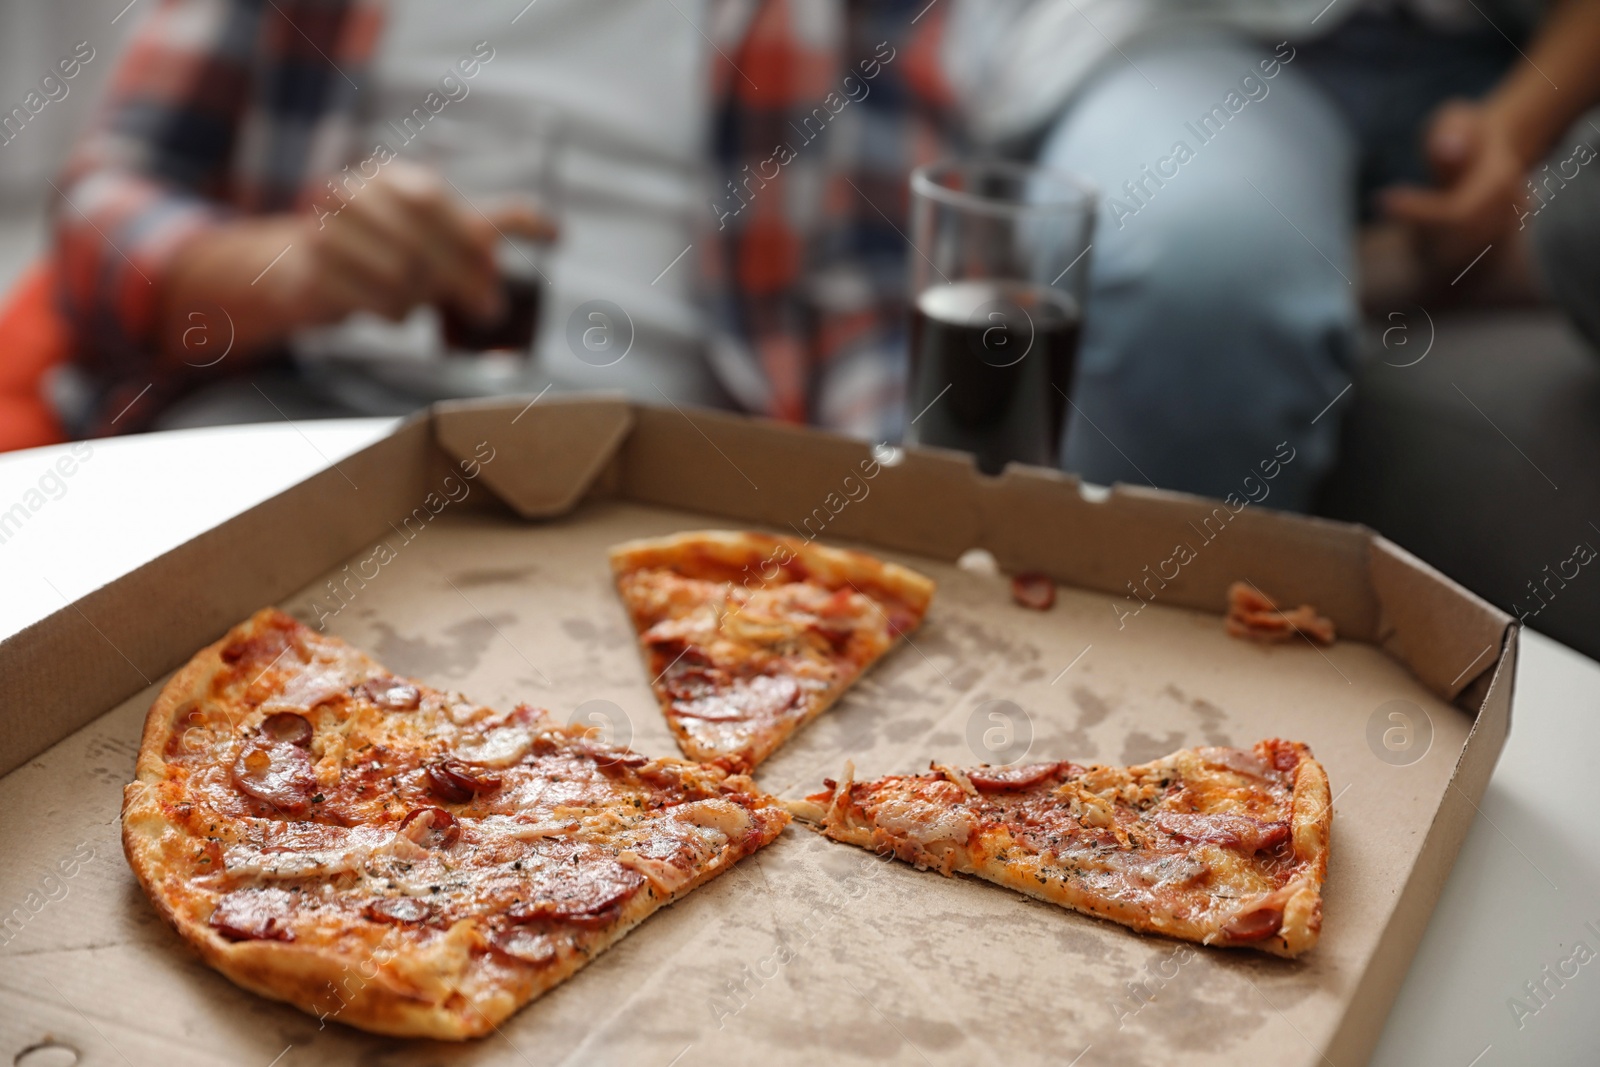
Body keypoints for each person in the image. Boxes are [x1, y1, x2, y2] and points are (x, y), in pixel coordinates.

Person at [49, 0, 953, 440]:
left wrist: (871, 500)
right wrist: (290, 267)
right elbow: (97, 210)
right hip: (309, 416)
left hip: (669, 462)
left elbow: (873, 291)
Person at [945, 0, 1600, 509]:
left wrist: (1514, 129)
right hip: (1214, 35)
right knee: (1203, 278)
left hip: (1504, 57)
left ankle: (1387, 265)